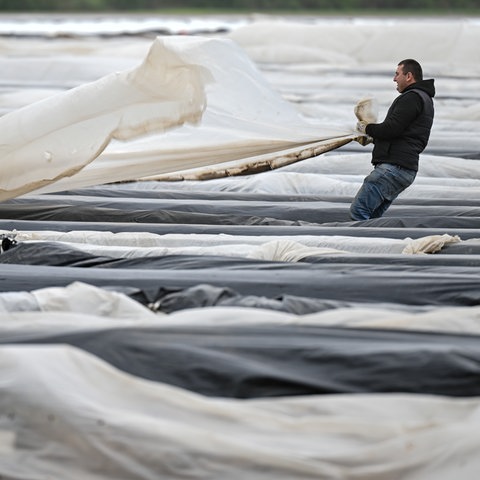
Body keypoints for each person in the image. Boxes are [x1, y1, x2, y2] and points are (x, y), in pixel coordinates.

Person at [350, 59, 435, 221]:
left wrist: (366, 128)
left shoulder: (411, 98)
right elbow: (404, 135)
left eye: (397, 74)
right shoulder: (424, 99)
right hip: (406, 169)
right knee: (372, 219)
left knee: (358, 213)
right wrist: (374, 138)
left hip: (393, 168)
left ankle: (360, 245)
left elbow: (392, 128)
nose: (394, 79)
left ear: (409, 76)